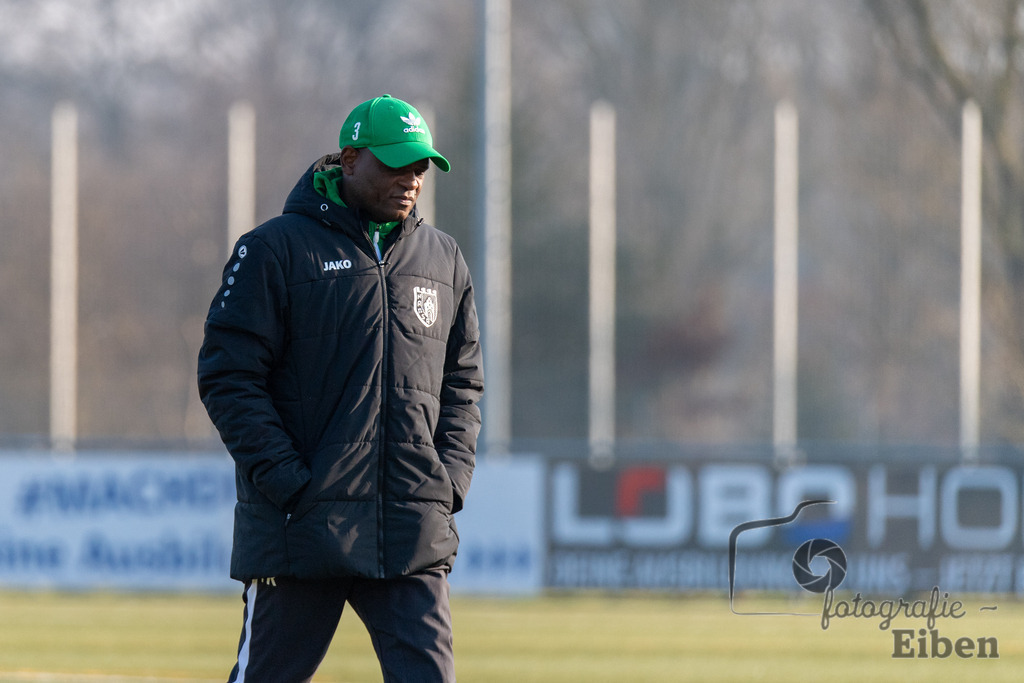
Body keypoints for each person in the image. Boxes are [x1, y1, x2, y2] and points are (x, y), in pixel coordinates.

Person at [197, 94, 483, 682]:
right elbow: (228, 376)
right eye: (395, 164)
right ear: (349, 160)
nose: (410, 179)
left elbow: (463, 381)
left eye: (420, 167)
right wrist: (289, 483)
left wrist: (447, 481)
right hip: (304, 528)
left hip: (410, 528)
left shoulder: (443, 258)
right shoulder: (274, 249)